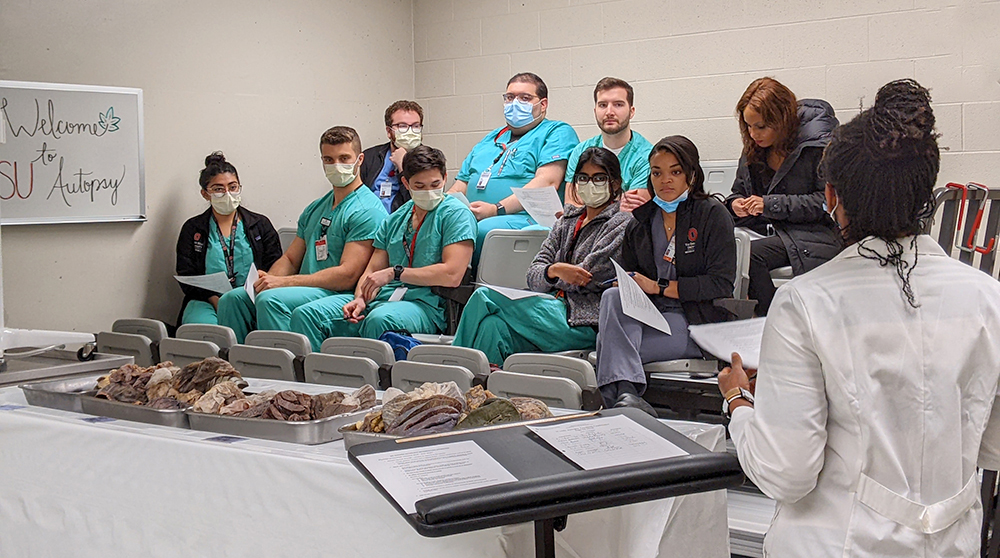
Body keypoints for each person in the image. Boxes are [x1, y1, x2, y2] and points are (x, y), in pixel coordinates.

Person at [718, 79, 1000, 557]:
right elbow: (988, 445)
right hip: (953, 545)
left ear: (831, 196)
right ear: (924, 193)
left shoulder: (806, 302)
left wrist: (740, 405)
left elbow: (786, 472)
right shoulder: (988, 296)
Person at [453, 147, 632, 365]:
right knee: (492, 328)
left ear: (614, 183)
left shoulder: (621, 223)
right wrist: (553, 270)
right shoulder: (567, 221)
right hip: (550, 310)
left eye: (599, 178)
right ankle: (482, 395)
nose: (590, 184)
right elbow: (533, 274)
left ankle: (451, 375)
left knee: (483, 297)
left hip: (583, 322)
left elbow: (586, 276)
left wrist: (552, 275)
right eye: (583, 178)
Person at [597, 136, 736, 416]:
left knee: (607, 346)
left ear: (692, 175)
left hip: (694, 320)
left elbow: (720, 283)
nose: (665, 180)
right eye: (657, 172)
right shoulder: (641, 221)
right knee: (613, 296)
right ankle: (627, 399)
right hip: (650, 315)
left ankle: (623, 398)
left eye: (675, 172)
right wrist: (627, 283)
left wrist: (658, 287)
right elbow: (631, 272)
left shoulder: (712, 215)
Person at [290, 145, 476, 347]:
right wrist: (361, 298)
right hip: (382, 300)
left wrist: (395, 273)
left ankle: (372, 378)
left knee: (379, 320)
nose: (429, 192)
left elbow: (452, 274)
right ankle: (323, 375)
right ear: (405, 183)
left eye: (435, 184)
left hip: (425, 304)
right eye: (420, 186)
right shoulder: (396, 219)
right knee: (306, 315)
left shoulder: (456, 215)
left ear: (445, 178)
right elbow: (372, 269)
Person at [216, 127, 388, 342]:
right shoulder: (317, 208)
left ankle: (284, 371)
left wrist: (284, 284)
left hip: (337, 292)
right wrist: (270, 278)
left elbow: (348, 275)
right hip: (307, 287)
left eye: (344, 158)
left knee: (271, 300)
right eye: (329, 159)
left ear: (359, 159)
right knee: (232, 299)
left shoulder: (367, 210)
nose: (337, 166)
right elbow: (290, 258)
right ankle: (237, 368)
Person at [726, 77, 841, 315]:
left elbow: (825, 202)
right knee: (724, 248)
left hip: (815, 233)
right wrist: (735, 204)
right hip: (771, 230)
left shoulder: (816, 146)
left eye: (761, 126)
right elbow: (740, 191)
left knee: (751, 256)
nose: (753, 133)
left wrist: (769, 205)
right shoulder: (754, 147)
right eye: (748, 126)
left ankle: (771, 321)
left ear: (782, 120)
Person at [449, 72, 578, 261]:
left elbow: (547, 181)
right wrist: (447, 207)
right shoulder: (490, 138)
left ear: (543, 104)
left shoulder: (556, 132)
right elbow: (461, 183)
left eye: (525, 98)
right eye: (510, 97)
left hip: (527, 218)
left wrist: (496, 209)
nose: (515, 103)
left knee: (482, 231)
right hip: (477, 215)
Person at [176, 152, 283, 327]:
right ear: (205, 193)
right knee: (207, 332)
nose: (227, 193)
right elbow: (187, 275)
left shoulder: (260, 224)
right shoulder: (193, 228)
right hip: (207, 301)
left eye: (232, 187)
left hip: (251, 298)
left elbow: (275, 264)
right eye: (218, 189)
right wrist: (214, 300)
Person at [564, 77, 653, 212]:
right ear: (595, 111)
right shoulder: (581, 151)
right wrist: (618, 202)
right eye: (603, 105)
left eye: (618, 104)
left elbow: (632, 211)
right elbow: (572, 205)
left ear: (632, 111)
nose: (609, 112)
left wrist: (590, 205)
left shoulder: (646, 156)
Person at [359, 100, 423, 214]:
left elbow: (419, 205)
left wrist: (403, 167)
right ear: (389, 131)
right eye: (402, 126)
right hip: (371, 225)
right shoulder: (370, 157)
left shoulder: (429, 160)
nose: (410, 131)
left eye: (416, 126)